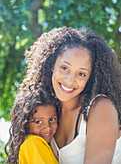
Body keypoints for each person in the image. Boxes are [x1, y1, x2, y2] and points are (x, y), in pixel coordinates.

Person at [11, 26, 121, 163]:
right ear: (52, 65)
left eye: (81, 74)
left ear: (91, 77)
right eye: (64, 68)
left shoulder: (100, 108)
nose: (69, 80)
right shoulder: (49, 116)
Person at [5, 88, 60, 164]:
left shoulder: (43, 145)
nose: (48, 127)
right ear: (25, 124)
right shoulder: (33, 143)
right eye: (39, 122)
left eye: (52, 119)